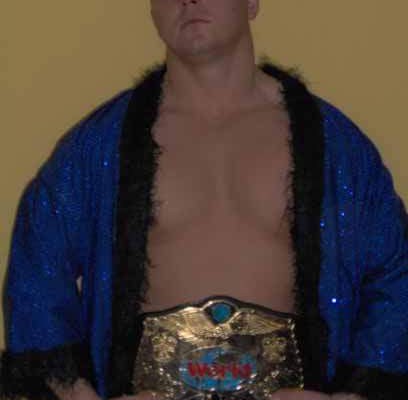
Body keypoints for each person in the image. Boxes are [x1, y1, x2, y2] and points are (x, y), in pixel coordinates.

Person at [1, 1, 407, 399]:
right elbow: (37, 267)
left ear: (252, 3)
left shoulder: (337, 148)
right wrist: (74, 391)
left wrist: (356, 394)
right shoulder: (97, 147)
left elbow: (396, 272)